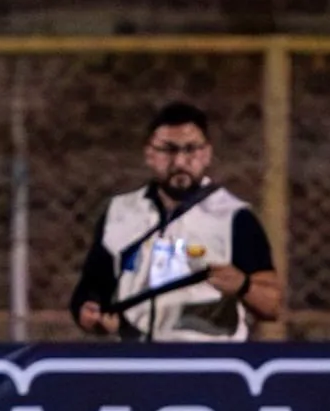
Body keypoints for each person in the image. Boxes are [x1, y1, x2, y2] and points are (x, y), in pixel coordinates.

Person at [69, 101, 281, 341]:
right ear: (149, 154)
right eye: (168, 150)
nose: (180, 161)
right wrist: (90, 312)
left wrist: (243, 286)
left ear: (207, 153)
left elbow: (272, 305)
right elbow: (93, 285)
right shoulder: (120, 212)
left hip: (206, 363)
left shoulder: (234, 217)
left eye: (191, 149)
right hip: (136, 359)